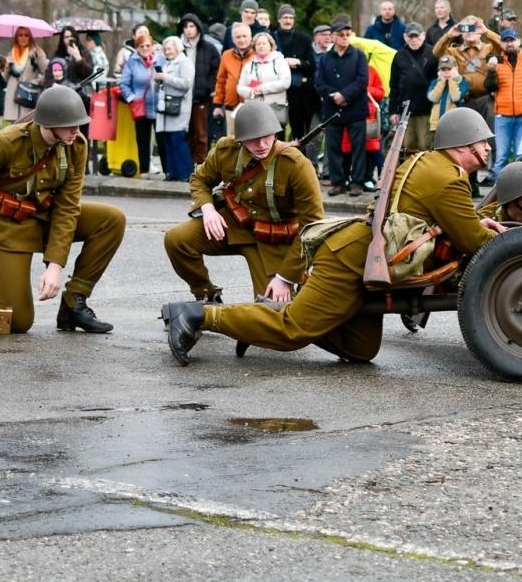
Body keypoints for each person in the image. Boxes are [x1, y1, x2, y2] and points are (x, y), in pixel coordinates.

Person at [161, 107, 504, 365]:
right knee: (292, 329)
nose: (488, 149)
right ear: (462, 145)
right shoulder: (447, 177)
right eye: (482, 143)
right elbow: (474, 243)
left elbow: (439, 216)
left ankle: (255, 322)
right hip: (349, 256)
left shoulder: (429, 163)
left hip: (346, 250)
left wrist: (475, 221)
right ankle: (197, 314)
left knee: (361, 349)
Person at [0, 85, 122, 335]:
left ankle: (73, 303)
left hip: (42, 216)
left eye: (79, 124)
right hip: (3, 226)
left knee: (111, 220)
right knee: (18, 321)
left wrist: (55, 266)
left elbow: (67, 207)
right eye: (70, 125)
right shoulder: (5, 143)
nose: (76, 131)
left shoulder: (75, 145)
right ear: (48, 124)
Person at [163, 100, 324, 303]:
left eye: (266, 137)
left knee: (270, 315)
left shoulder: (296, 165)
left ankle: (302, 287)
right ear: (241, 140)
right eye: (253, 139)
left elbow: (313, 227)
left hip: (274, 240)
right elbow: (199, 179)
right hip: (234, 226)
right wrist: (208, 209)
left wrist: (286, 276)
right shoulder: (226, 150)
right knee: (177, 240)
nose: (262, 145)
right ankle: (205, 295)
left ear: (276, 133)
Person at [315, 15, 370, 195]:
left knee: (358, 147)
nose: (345, 37)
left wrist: (345, 95)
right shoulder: (324, 59)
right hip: (332, 110)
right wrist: (334, 96)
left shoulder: (359, 56)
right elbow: (319, 83)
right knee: (333, 147)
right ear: (332, 36)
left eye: (348, 34)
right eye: (341, 34)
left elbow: (362, 81)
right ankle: (337, 182)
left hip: (355, 108)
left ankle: (357, 182)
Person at [485, 27, 522, 169]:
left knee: (521, 156)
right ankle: (499, 190)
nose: (509, 44)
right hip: (502, 116)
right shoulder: (496, 61)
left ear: (519, 41)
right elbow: (489, 87)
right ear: (501, 44)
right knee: (501, 157)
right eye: (506, 41)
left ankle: (520, 190)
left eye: (512, 40)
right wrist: (492, 71)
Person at [176, 13, 222, 163]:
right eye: (185, 27)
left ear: (198, 28)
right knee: (185, 132)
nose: (188, 30)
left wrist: (208, 87)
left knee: (201, 134)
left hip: (200, 97)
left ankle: (201, 165)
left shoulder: (208, 48)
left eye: (192, 26)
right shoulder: (178, 48)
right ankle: (187, 164)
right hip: (181, 97)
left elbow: (217, 70)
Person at [390, 21, 440, 151]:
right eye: (410, 37)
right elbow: (394, 85)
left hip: (426, 108)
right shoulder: (399, 55)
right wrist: (393, 111)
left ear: (423, 36)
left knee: (425, 145)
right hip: (405, 110)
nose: (414, 40)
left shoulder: (432, 53)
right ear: (405, 37)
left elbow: (438, 81)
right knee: (408, 145)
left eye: (416, 36)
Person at [118, 32, 159, 176]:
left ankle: (168, 171)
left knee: (161, 140)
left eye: (148, 45)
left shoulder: (159, 59)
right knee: (142, 140)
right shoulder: (132, 62)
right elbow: (123, 83)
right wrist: (131, 98)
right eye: (142, 46)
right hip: (141, 107)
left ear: (153, 46)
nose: (145, 48)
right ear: (137, 47)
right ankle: (144, 170)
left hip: (158, 106)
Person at [272, 5, 315, 139]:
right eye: (285, 17)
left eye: (291, 17)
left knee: (298, 129)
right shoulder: (271, 38)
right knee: (276, 128)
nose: (288, 21)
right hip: (276, 89)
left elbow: (312, 65)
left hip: (298, 90)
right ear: (279, 19)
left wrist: (297, 63)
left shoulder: (304, 39)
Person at [156, 36, 195, 181]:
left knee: (178, 141)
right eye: (165, 49)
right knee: (168, 141)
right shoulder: (167, 63)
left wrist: (165, 77)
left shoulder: (185, 63)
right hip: (166, 108)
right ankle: (172, 173)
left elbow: (186, 84)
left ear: (177, 48)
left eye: (169, 48)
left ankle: (186, 173)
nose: (167, 51)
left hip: (179, 108)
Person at [236, 30, 292, 130]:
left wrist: (263, 89)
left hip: (275, 108)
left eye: (264, 43)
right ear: (254, 47)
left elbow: (285, 82)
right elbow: (240, 87)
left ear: (271, 45)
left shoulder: (280, 62)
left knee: (276, 141)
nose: (261, 46)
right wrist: (251, 91)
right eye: (258, 44)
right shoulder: (249, 65)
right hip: (254, 109)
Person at [214, 21, 255, 133]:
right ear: (233, 39)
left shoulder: (257, 55)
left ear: (250, 37)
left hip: (250, 106)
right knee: (232, 140)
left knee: (250, 138)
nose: (241, 40)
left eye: (244, 36)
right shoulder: (226, 55)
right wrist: (217, 104)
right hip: (230, 106)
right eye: (238, 37)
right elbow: (221, 80)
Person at [2, 27, 47, 125]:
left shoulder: (37, 53)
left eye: (26, 35)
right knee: (13, 129)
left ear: (30, 37)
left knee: (27, 125)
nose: (23, 38)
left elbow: (47, 73)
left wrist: (35, 82)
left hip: (28, 94)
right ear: (16, 37)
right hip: (13, 96)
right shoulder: (12, 53)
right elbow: (5, 78)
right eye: (20, 35)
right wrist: (7, 66)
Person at [428, 53, 468, 131]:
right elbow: (433, 98)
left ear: (456, 69)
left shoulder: (462, 82)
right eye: (443, 69)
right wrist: (442, 81)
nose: (446, 72)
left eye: (449, 69)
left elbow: (455, 97)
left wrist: (452, 80)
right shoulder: (435, 82)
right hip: (437, 124)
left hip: (454, 124)